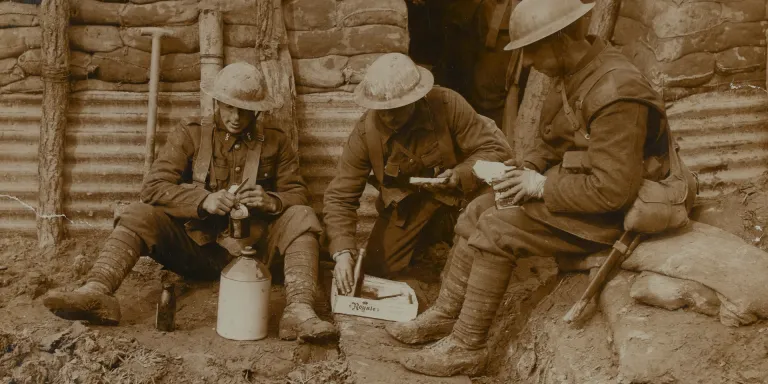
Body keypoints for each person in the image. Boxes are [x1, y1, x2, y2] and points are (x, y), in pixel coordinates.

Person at [387, 0, 678, 376]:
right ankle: (446, 314)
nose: (525, 62)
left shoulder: (616, 92)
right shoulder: (574, 73)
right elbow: (552, 141)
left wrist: (540, 186)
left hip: (615, 213)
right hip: (579, 191)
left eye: (531, 49)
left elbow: (613, 191)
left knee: (497, 227)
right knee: (480, 207)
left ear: (560, 40)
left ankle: (466, 347)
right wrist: (524, 170)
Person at [43, 62, 338, 343]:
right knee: (138, 213)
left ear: (257, 113)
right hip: (196, 250)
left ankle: (299, 312)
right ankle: (98, 290)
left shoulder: (276, 141)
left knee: (301, 216)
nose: (235, 117)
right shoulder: (191, 133)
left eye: (245, 111)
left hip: (255, 257)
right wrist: (203, 201)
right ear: (217, 103)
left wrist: (271, 201)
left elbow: (298, 195)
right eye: (229, 108)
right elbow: (153, 188)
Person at [323, 53, 513, 295]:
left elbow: (493, 149)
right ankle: (432, 249)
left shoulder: (447, 105)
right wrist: (342, 253)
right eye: (382, 111)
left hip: (462, 196)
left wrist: (460, 173)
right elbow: (340, 196)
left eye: (396, 109)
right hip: (411, 206)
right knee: (377, 268)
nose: (389, 117)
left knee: (479, 256)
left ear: (416, 98)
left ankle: (457, 252)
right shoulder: (364, 134)